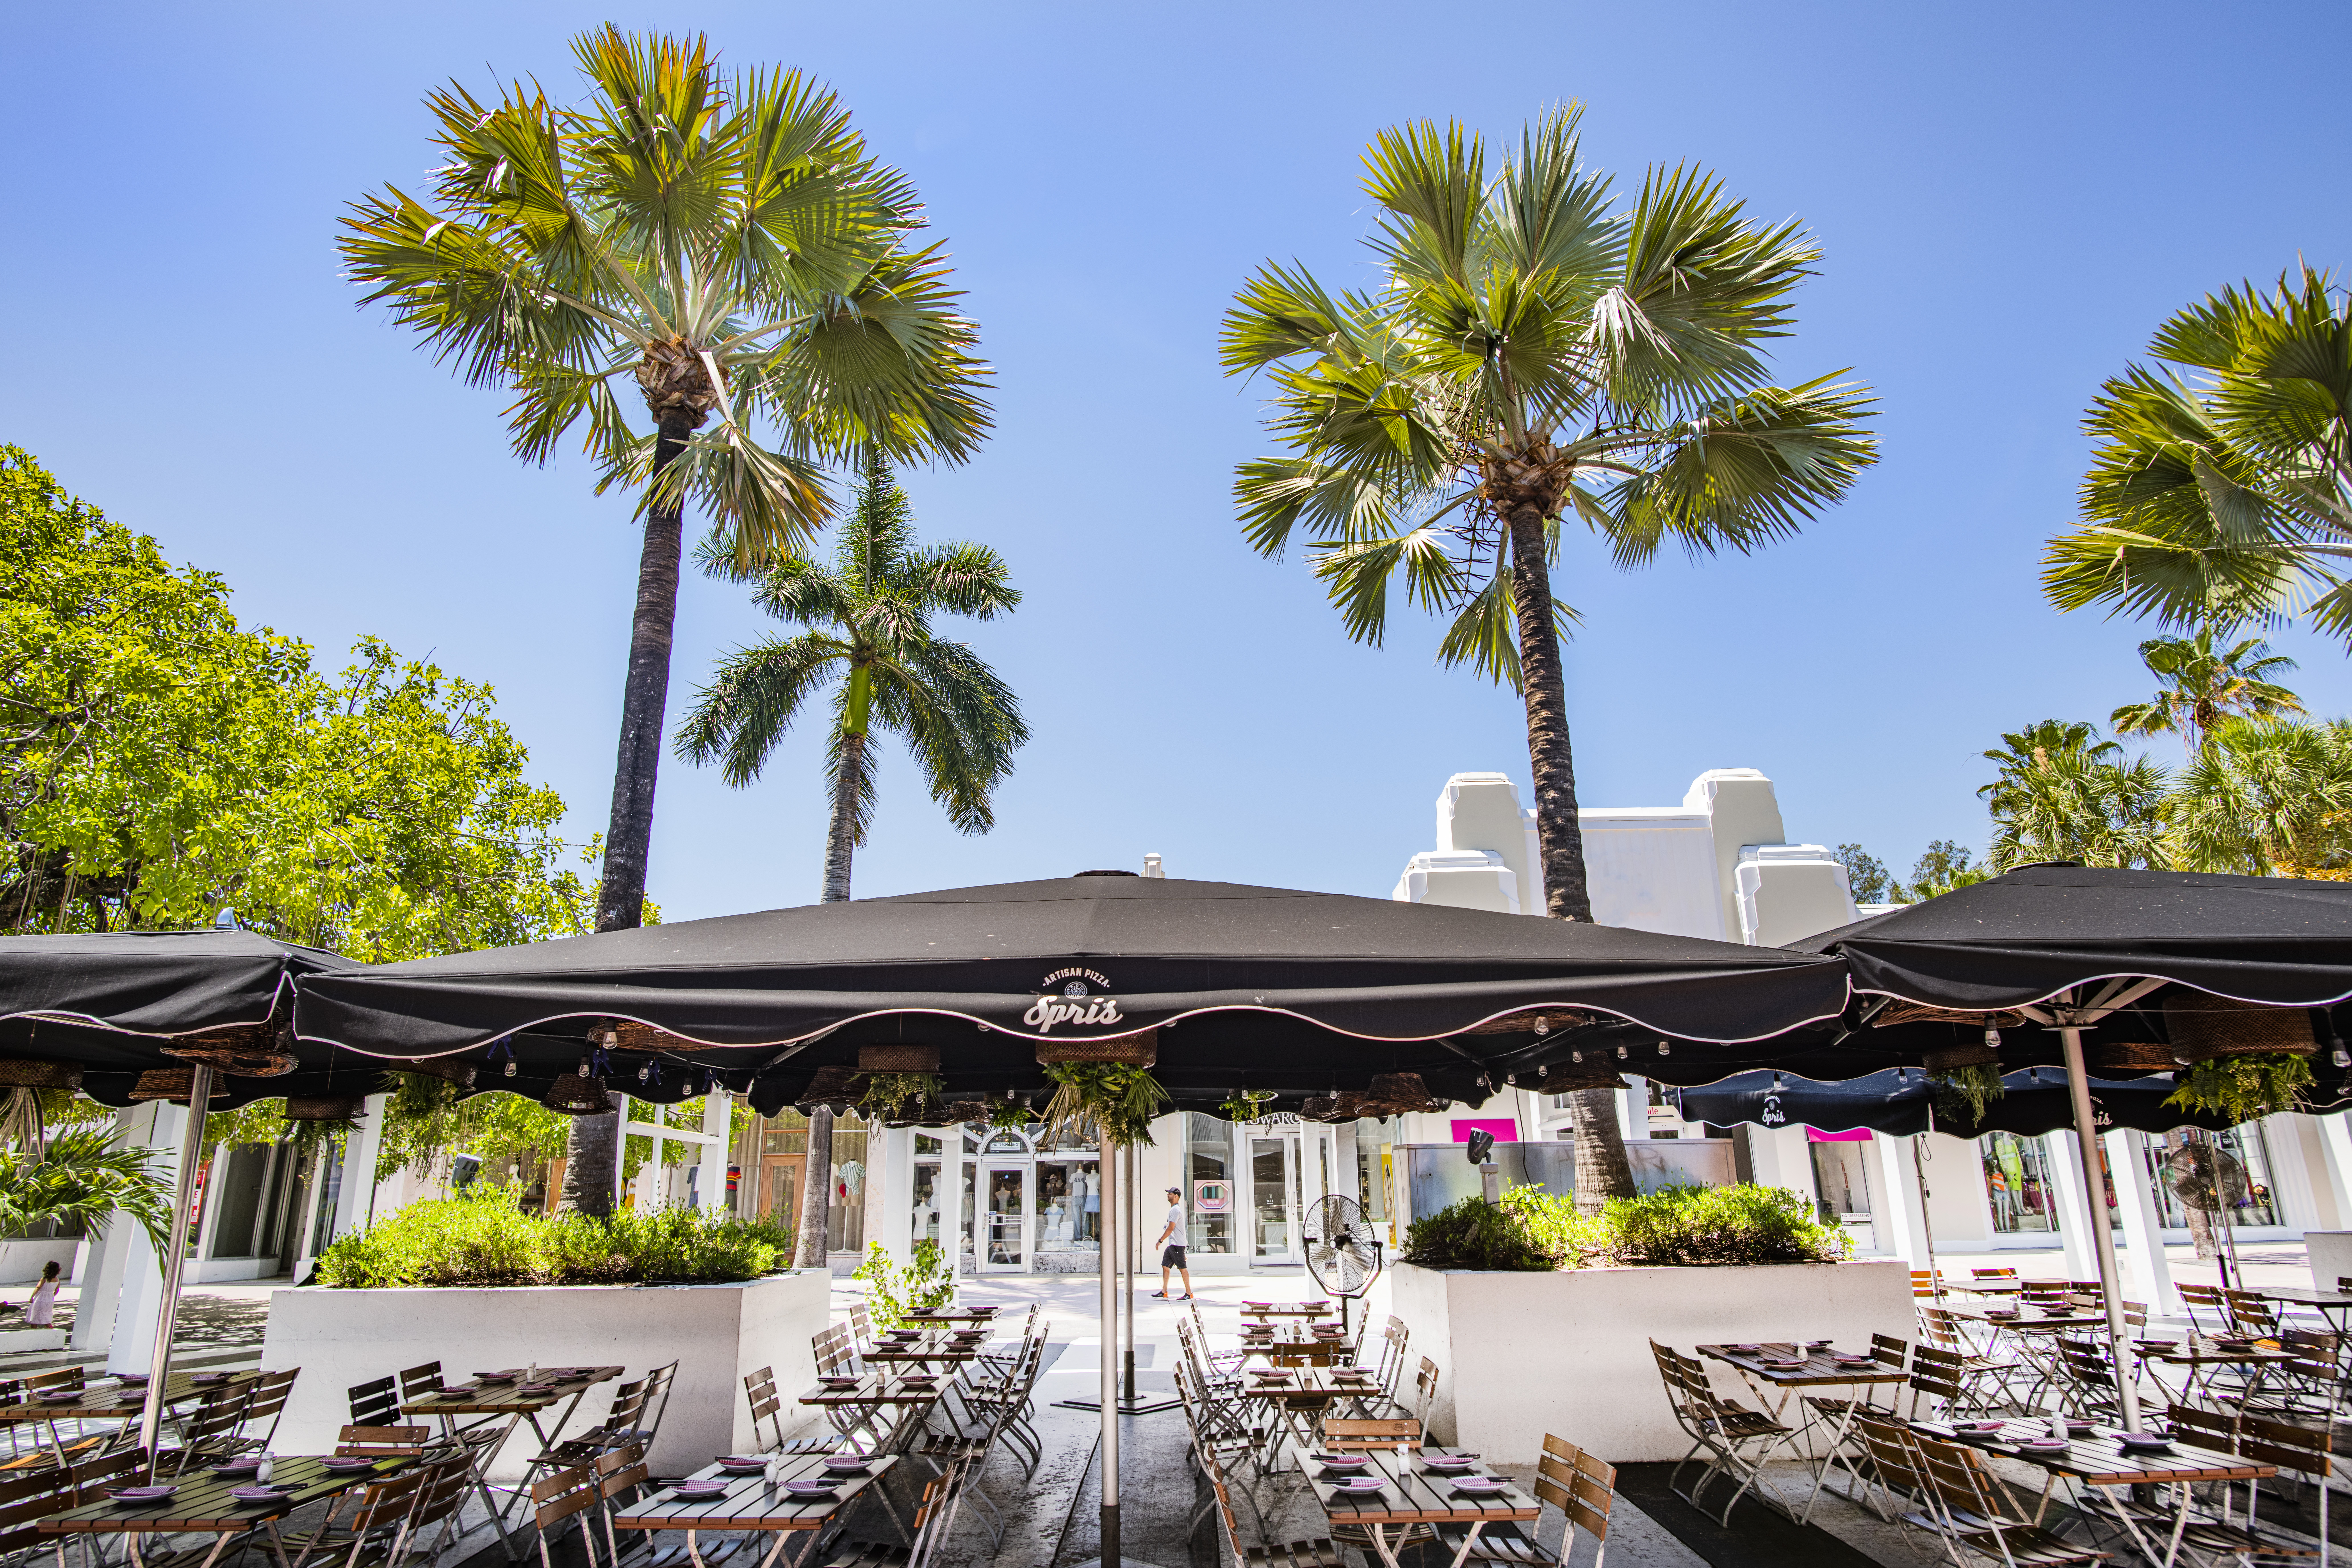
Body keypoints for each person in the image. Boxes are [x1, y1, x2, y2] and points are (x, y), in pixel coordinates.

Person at [1150, 1186, 1192, 1300]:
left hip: (1177, 1244)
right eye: (1168, 1194)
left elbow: (1170, 1228)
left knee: (1183, 1268)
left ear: (1176, 1196)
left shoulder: (1175, 1210)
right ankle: (1164, 1292)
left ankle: (1189, 1294)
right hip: (1173, 1245)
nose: (1168, 1195)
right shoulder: (1174, 1209)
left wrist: (1160, 1241)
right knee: (1165, 1265)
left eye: (1170, 1194)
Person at [23, 1260, 60, 1327]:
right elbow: (57, 1290)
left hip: (40, 1299)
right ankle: (50, 1328)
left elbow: (38, 1288)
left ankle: (34, 1330)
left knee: (35, 1314)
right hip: (49, 1301)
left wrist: (32, 1297)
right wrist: (52, 1296)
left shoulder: (44, 1279)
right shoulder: (57, 1280)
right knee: (46, 1315)